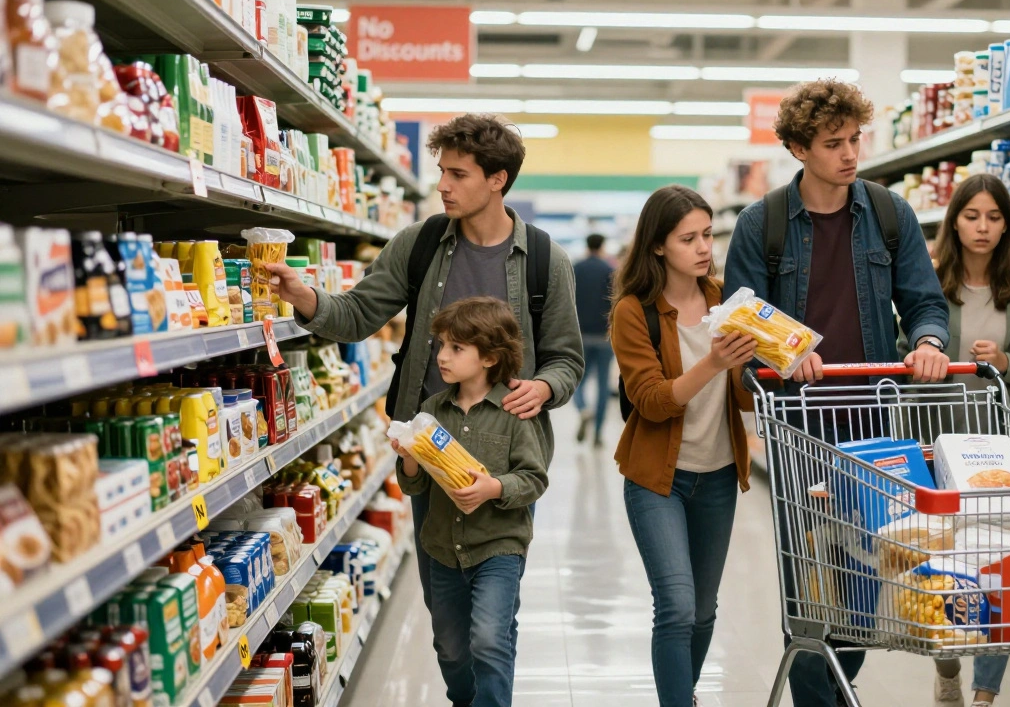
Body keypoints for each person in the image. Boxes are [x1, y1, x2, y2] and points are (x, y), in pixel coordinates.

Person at [264, 113, 584, 644]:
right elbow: (359, 314)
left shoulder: (546, 261)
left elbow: (567, 359)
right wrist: (307, 300)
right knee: (448, 628)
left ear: (497, 179)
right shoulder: (420, 243)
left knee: (491, 627)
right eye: (442, 172)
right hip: (430, 449)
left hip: (505, 455)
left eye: (458, 174)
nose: (443, 185)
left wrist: (546, 386)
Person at [723, 78, 951, 707]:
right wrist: (781, 357)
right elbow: (739, 330)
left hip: (876, 418)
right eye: (833, 143)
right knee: (807, 580)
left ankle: (836, 685)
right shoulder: (759, 225)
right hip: (799, 429)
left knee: (866, 577)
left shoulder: (888, 214)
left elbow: (925, 302)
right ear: (799, 148)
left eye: (855, 139)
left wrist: (928, 342)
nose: (850, 154)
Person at [904, 173, 1010, 707]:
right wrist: (924, 362)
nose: (983, 227)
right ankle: (947, 667)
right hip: (938, 445)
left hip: (1007, 453)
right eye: (972, 216)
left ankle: (986, 696)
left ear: (1008, 225)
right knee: (944, 569)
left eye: (995, 218)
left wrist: (1005, 362)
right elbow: (904, 360)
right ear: (954, 222)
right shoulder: (929, 281)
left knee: (999, 573)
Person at [612, 185, 758, 707]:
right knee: (674, 605)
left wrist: (767, 362)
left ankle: (684, 696)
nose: (703, 248)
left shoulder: (727, 299)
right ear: (657, 246)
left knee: (703, 609)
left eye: (706, 235)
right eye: (688, 238)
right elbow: (650, 401)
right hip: (657, 480)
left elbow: (742, 401)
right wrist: (713, 362)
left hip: (719, 475)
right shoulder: (634, 311)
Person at [391, 297, 549, 707]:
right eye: (441, 345)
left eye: (456, 348)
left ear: (490, 358)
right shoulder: (432, 412)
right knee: (451, 647)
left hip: (498, 547)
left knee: (490, 641)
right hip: (443, 550)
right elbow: (414, 488)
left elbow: (534, 478)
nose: (442, 356)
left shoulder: (514, 414)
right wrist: (408, 459)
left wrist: (493, 488)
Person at [573, 233, 616, 447]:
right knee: (602, 385)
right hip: (604, 335)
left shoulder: (576, 269)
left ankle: (583, 410)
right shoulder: (609, 271)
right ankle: (598, 433)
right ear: (602, 246)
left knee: (577, 380)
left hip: (580, 334)